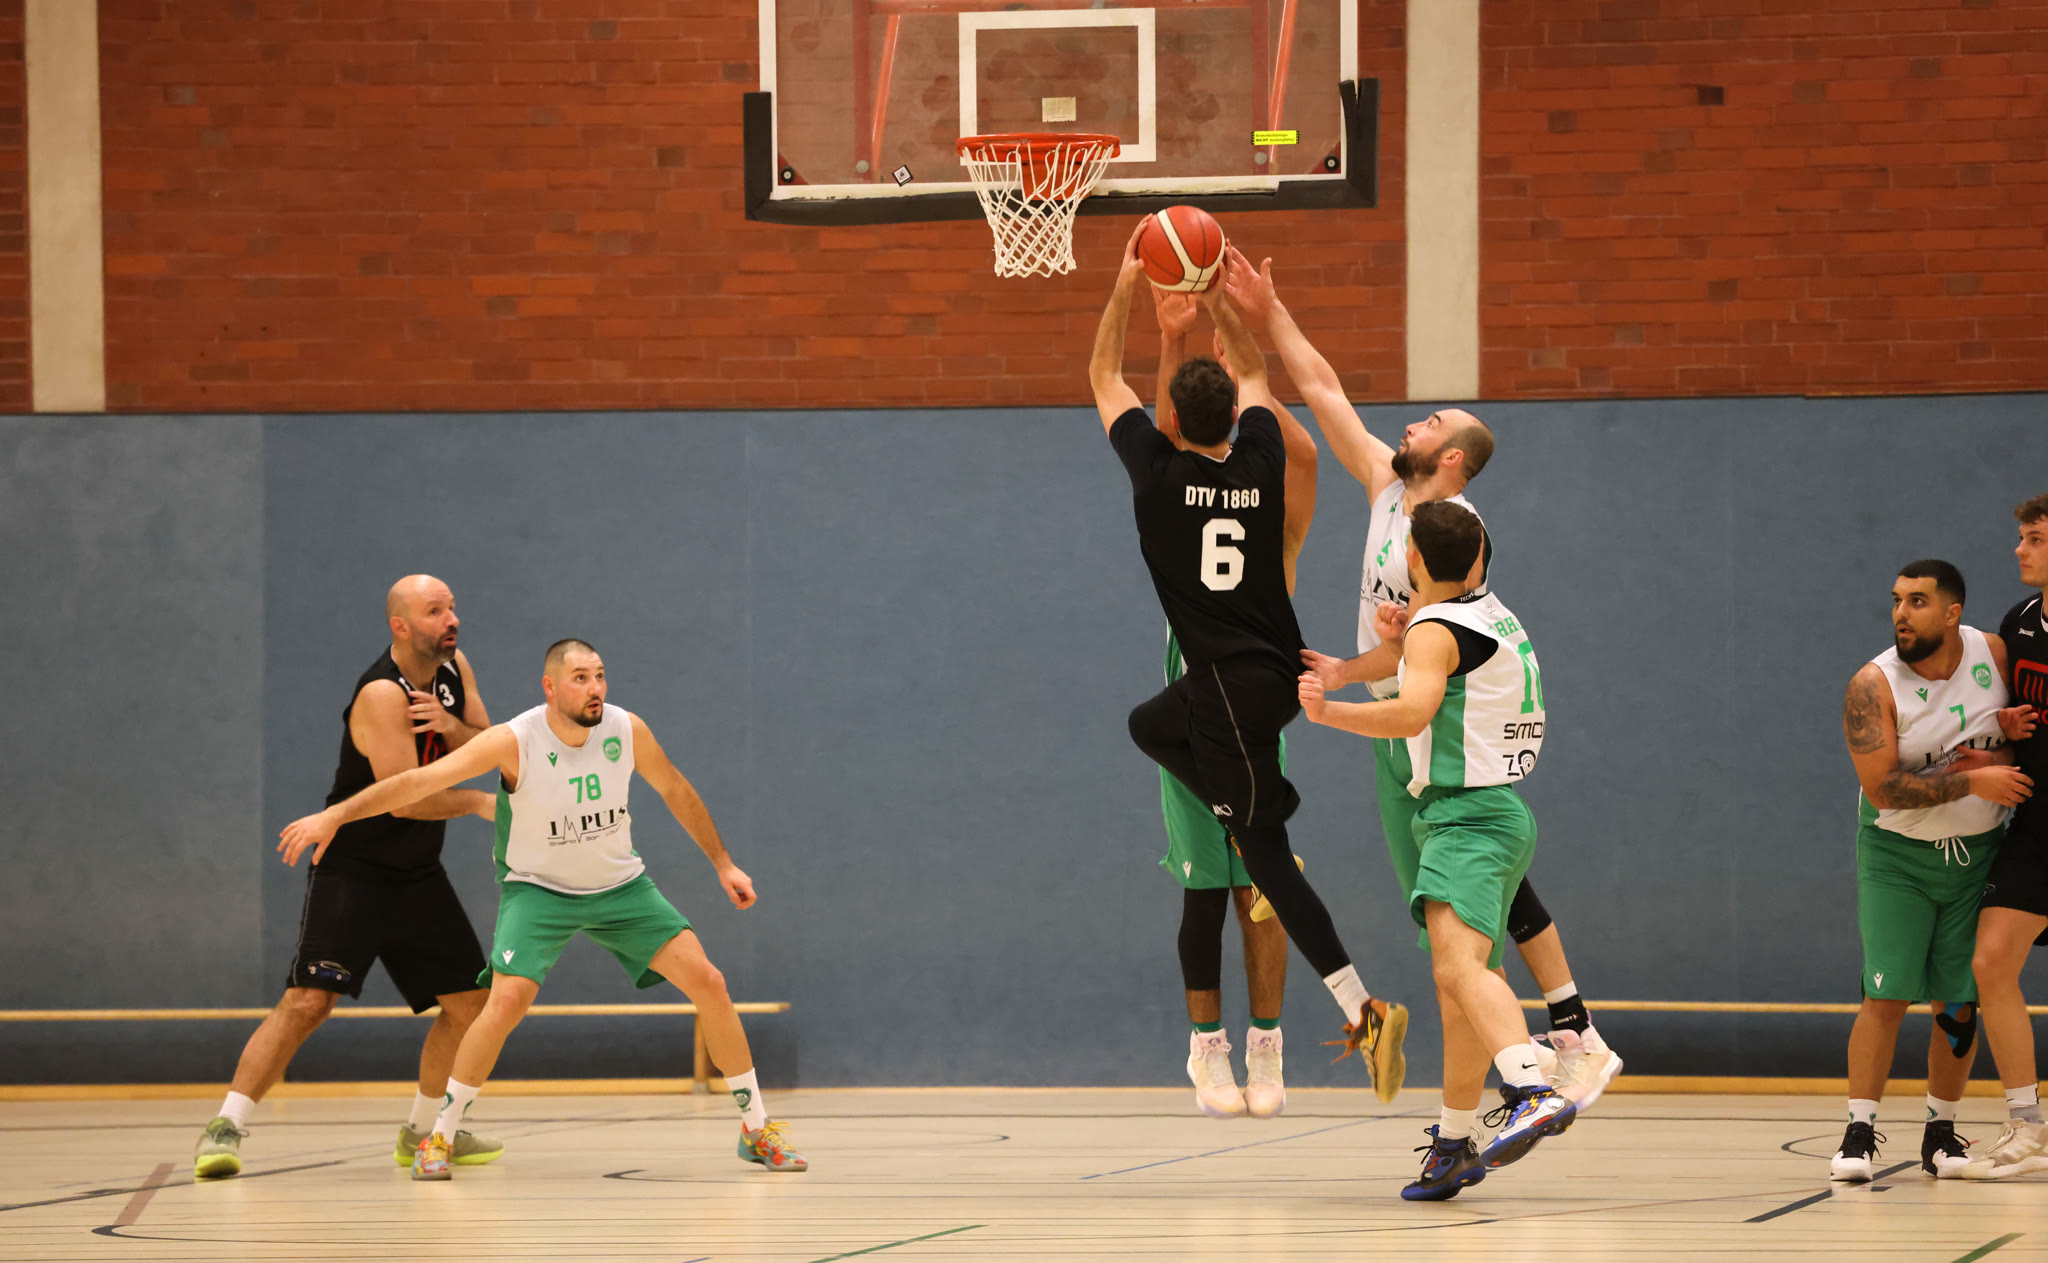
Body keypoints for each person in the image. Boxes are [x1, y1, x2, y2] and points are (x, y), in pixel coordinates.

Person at [1223, 247, 1622, 1108]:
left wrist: (1354, 679)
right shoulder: (1385, 485)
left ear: (1454, 460)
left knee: (1467, 910)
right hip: (1392, 717)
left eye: (1431, 422)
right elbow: (1324, 388)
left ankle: (1563, 1039)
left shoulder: (1452, 535)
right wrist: (1265, 311)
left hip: (1427, 723)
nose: (1412, 425)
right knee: (1454, 931)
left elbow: (1431, 649)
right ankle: (1485, 1105)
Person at [279, 639, 805, 1178]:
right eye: (580, 678)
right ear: (550, 687)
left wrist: (723, 863)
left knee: (710, 982)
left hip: (620, 888)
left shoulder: (626, 729)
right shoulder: (515, 740)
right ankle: (439, 1137)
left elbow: (675, 788)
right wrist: (335, 816)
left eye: (599, 675)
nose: (595, 687)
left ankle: (755, 1130)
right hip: (539, 891)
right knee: (504, 1003)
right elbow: (416, 782)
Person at [1090, 220, 1409, 1102]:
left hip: (1228, 699)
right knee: (1149, 725)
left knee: (1266, 858)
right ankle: (1240, 822)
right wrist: (1227, 308)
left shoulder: (1156, 480)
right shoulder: (1263, 466)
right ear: (1236, 416)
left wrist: (1129, 285)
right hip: (1262, 684)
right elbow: (1262, 378)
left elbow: (1104, 379)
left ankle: (1361, 1006)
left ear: (1171, 425)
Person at [1299, 500, 1575, 1201]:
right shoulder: (1491, 612)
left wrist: (1329, 711)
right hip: (1501, 814)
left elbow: (1413, 711)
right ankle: (1454, 1143)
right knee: (1462, 984)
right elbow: (1442, 644)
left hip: (1462, 817)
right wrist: (1408, 627)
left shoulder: (1432, 630)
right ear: (1478, 558)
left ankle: (1531, 1087)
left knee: (1458, 970)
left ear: (1413, 559)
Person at [193, 576, 503, 1179]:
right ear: (400, 626)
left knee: (470, 1004)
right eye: (435, 611)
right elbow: (405, 801)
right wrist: (476, 804)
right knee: (309, 1002)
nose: (451, 619)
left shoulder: (453, 668)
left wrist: (448, 723)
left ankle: (423, 1132)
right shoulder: (381, 694)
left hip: (418, 873)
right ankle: (224, 1125)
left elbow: (487, 745)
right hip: (354, 870)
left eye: (452, 608)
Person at [1149, 287, 1316, 1118]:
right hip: (1194, 715)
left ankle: (1266, 1044)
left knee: (1261, 889)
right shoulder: (1185, 506)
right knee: (1204, 892)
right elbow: (1172, 437)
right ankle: (1207, 1046)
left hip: (1248, 720)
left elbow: (1300, 458)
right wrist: (1243, 368)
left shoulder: (1271, 531)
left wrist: (1182, 348)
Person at [1835, 560, 2030, 1180]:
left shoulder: (1992, 653)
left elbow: (2019, 744)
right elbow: (1885, 789)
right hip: (1898, 857)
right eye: (1896, 600)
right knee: (1886, 993)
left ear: (1952, 613)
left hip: (1977, 854)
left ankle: (1941, 1132)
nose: (1901, 613)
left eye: (1917, 601)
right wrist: (1974, 779)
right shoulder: (1872, 685)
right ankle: (1858, 1132)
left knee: (1960, 1001)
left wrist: (2009, 736)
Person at [1963, 493, 2048, 1180]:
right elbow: (2009, 721)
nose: (2020, 549)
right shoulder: (2018, 623)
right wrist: (2000, 740)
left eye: (2035, 537)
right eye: (2022, 536)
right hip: (2037, 821)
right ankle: (2028, 1125)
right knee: (1991, 961)